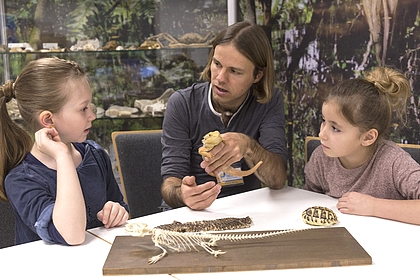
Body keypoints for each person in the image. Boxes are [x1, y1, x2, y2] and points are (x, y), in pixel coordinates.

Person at [0, 57, 129, 246]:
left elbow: (122, 208)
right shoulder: (21, 180)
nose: (92, 115)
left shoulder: (95, 154)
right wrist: (62, 156)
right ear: (48, 120)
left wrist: (118, 212)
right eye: (83, 109)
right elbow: (71, 235)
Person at [160, 21, 288, 211]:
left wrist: (249, 146)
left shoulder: (268, 102)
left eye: (234, 71)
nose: (220, 78)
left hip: (245, 214)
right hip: (189, 215)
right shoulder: (182, 103)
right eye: (217, 64)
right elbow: (170, 183)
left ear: (257, 76)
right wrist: (183, 194)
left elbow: (277, 180)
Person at [304, 66, 420, 225]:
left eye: (335, 128)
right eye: (324, 121)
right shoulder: (321, 158)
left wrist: (373, 206)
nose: (322, 134)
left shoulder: (393, 162)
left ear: (368, 137)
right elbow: (306, 201)